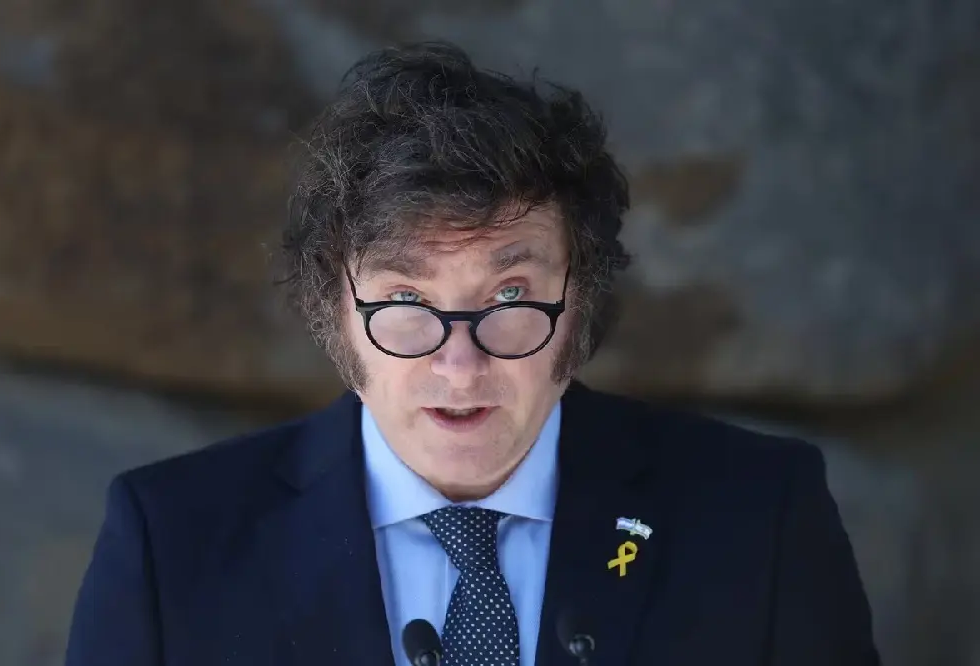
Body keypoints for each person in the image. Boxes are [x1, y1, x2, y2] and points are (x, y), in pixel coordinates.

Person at [64, 41, 880, 666]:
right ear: (332, 310)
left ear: (581, 300)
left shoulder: (759, 518)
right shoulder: (172, 544)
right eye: (406, 303)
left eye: (510, 298)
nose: (459, 368)